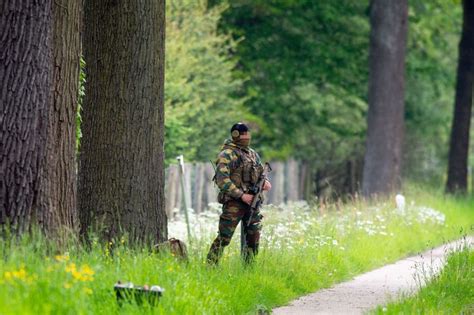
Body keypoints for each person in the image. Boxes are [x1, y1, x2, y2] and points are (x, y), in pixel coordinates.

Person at [207, 123, 272, 264]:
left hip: (253, 202)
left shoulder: (252, 154)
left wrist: (265, 181)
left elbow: (260, 172)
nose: (247, 138)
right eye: (243, 135)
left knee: (254, 237)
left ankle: (248, 269)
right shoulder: (227, 154)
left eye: (248, 135)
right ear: (235, 135)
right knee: (224, 237)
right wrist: (241, 195)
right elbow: (222, 180)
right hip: (234, 203)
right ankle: (210, 266)